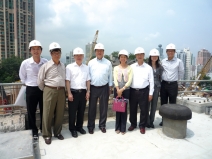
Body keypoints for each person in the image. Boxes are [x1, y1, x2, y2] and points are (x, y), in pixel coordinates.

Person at [37, 42, 66, 145]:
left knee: (59, 113)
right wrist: (46, 90)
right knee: (47, 113)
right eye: (54, 53)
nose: (56, 55)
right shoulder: (46, 66)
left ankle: (57, 133)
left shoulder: (63, 65)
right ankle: (47, 135)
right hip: (49, 90)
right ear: (50, 54)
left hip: (61, 91)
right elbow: (40, 81)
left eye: (58, 52)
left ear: (60, 53)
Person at [19, 40, 48, 140]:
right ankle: (34, 131)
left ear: (41, 50)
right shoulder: (25, 63)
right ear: (30, 51)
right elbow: (22, 77)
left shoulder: (45, 62)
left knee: (44, 110)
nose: (36, 51)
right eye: (33, 49)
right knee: (31, 111)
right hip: (31, 89)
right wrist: (28, 84)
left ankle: (43, 129)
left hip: (43, 89)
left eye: (38, 49)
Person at [87, 43, 113, 134]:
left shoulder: (108, 62)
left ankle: (102, 125)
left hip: (104, 87)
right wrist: (88, 90)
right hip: (93, 88)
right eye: (97, 51)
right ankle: (91, 126)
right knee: (91, 108)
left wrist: (110, 87)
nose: (99, 52)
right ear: (95, 52)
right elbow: (88, 77)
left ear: (103, 52)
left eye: (101, 51)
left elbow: (110, 76)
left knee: (104, 108)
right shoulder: (91, 62)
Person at [66, 47, 90, 138]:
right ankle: (72, 129)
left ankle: (79, 127)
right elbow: (67, 81)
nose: (79, 57)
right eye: (77, 55)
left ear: (83, 56)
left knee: (81, 111)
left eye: (80, 55)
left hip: (83, 92)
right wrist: (69, 93)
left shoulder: (86, 68)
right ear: (74, 56)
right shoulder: (69, 67)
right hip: (73, 92)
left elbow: (88, 81)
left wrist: (88, 91)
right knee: (72, 112)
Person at [128, 47, 154, 134]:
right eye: (138, 55)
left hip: (144, 91)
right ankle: (133, 124)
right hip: (133, 91)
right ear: (135, 56)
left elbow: (151, 81)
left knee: (144, 110)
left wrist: (151, 93)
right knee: (132, 109)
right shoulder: (131, 67)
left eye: (141, 54)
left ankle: (142, 126)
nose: (139, 56)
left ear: (144, 55)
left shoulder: (148, 68)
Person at [159, 43, 184, 126]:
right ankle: (164, 120)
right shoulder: (163, 61)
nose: (170, 52)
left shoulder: (179, 61)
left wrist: (176, 81)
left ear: (174, 52)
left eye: (172, 51)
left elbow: (181, 73)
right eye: (168, 51)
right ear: (166, 52)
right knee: (163, 103)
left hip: (173, 85)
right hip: (164, 84)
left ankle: (171, 120)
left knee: (173, 103)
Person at [113, 49, 133, 135]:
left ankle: (123, 128)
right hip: (117, 90)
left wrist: (122, 89)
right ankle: (117, 127)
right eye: (121, 57)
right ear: (119, 58)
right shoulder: (116, 68)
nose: (123, 58)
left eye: (125, 57)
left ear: (127, 58)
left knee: (124, 109)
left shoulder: (130, 68)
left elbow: (130, 80)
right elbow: (114, 79)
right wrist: (118, 89)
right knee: (118, 109)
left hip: (126, 90)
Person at [146, 49, 163, 128]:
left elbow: (161, 77)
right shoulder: (146, 66)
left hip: (156, 88)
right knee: (147, 105)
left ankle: (151, 122)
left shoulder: (160, 67)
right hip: (148, 87)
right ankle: (147, 122)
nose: (154, 57)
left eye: (156, 56)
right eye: (153, 56)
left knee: (154, 106)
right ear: (150, 56)